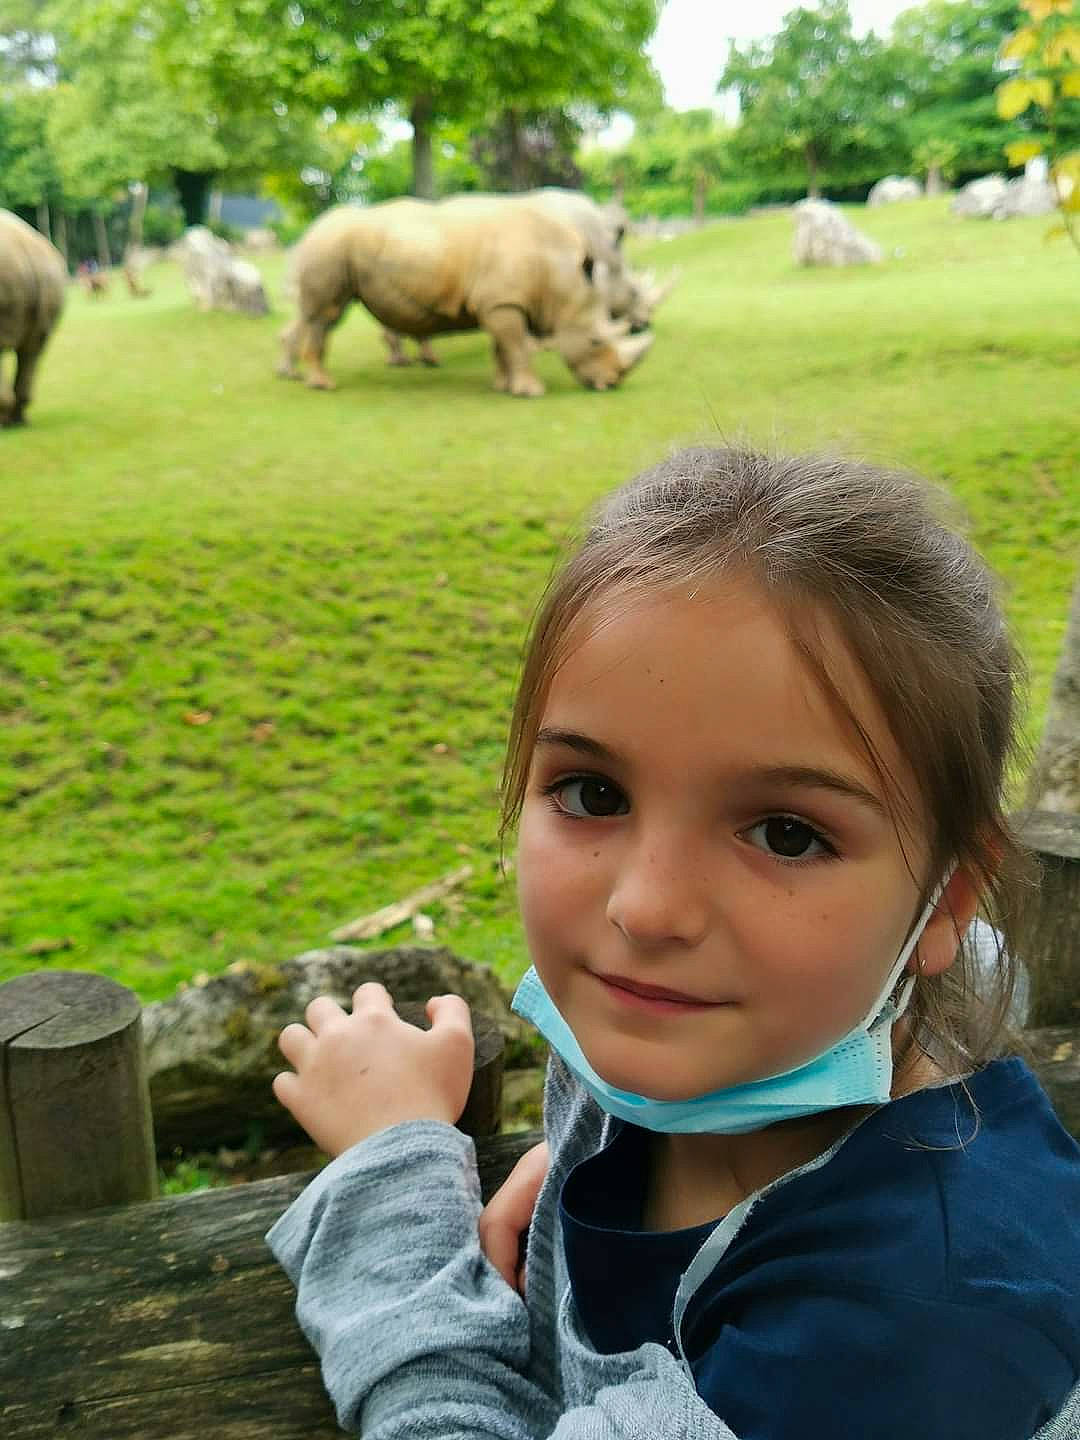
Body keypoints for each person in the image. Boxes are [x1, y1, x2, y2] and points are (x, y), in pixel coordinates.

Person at [266, 445, 1080, 1439]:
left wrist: (395, 1172)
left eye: (786, 832)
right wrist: (581, 1177)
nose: (645, 910)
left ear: (947, 901)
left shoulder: (905, 1329)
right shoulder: (697, 1048)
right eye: (593, 794)